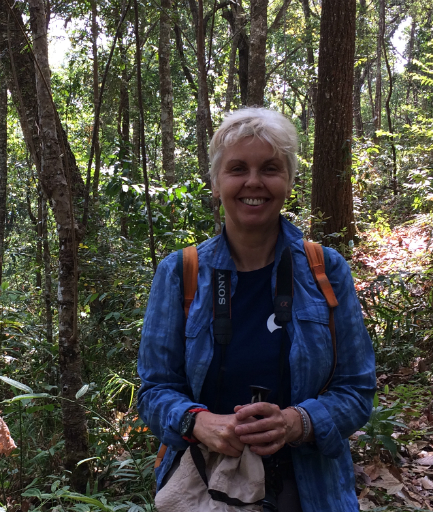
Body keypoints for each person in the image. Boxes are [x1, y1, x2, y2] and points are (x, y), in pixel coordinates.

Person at [137, 107, 376, 511]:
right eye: (237, 169)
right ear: (216, 182)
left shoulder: (325, 269)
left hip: (309, 490)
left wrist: (297, 422)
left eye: (269, 168)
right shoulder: (182, 273)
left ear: (288, 181)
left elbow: (357, 388)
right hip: (207, 489)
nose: (253, 182)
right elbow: (154, 389)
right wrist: (197, 421)